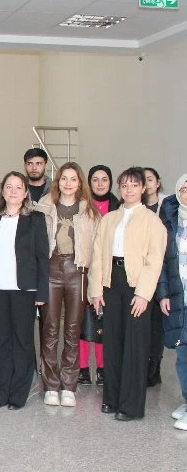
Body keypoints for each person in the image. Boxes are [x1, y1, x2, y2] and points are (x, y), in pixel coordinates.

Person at [89, 167, 166, 421]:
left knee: (135, 344)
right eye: (124, 185)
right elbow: (97, 255)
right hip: (111, 282)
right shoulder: (110, 219)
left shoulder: (152, 221)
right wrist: (96, 289)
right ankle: (111, 398)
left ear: (143, 188)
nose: (129, 190)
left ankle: (131, 406)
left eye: (134, 185)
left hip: (137, 285)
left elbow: (154, 260)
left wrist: (144, 294)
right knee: (112, 341)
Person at [0, 171, 49, 410]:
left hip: (24, 290)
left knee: (22, 342)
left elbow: (42, 257)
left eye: (19, 187)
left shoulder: (36, 219)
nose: (13, 191)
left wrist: (41, 292)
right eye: (8, 186)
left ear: (25, 193)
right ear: (2, 191)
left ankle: (18, 394)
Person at [35, 162, 100, 407]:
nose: (68, 183)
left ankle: (69, 386)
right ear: (58, 181)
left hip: (78, 271)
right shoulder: (44, 207)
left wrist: (95, 284)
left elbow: (97, 250)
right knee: (50, 329)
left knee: (73, 330)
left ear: (80, 183)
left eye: (73, 179)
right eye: (64, 178)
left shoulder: (90, 211)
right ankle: (51, 385)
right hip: (51, 269)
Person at [80, 165, 120, 385]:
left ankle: (103, 368)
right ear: (89, 183)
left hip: (110, 271)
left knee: (106, 319)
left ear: (110, 182)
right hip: (84, 270)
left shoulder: (118, 207)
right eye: (95, 179)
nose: (100, 184)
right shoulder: (82, 206)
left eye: (105, 179)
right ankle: (83, 368)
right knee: (84, 319)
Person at [156, 173, 187, 430]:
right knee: (182, 354)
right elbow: (163, 262)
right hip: (178, 296)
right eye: (184, 189)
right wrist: (163, 294)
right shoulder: (170, 219)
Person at [144, 166, 166, 386]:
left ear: (158, 183)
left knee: (156, 324)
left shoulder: (167, 205)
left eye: (150, 179)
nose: (147, 183)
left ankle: (154, 366)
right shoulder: (133, 207)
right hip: (139, 271)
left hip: (161, 271)